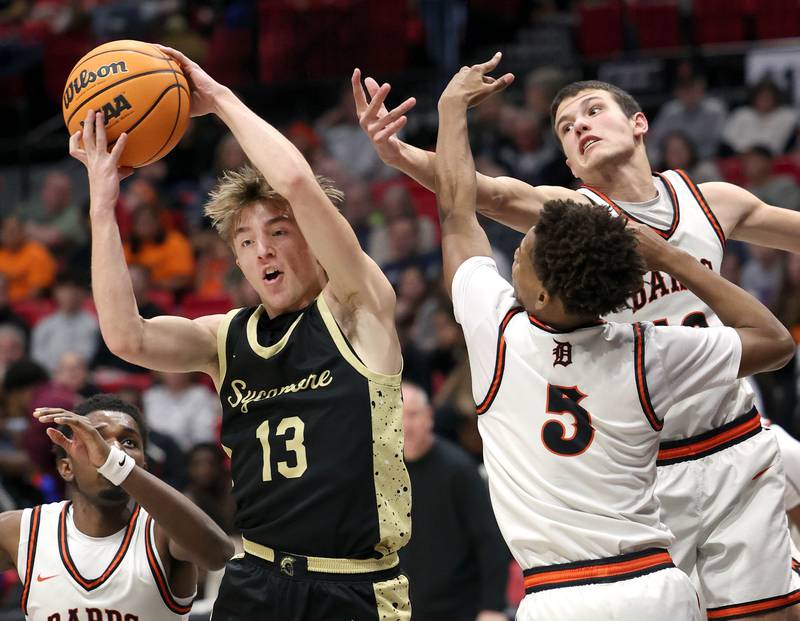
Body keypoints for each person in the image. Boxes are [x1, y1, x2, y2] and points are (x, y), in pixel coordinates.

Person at [354, 65, 800, 620]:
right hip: (648, 468)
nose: (579, 127)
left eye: (592, 111)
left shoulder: (711, 199)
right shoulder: (572, 222)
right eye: (565, 128)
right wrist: (400, 155)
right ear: (569, 165)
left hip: (734, 437)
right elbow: (480, 194)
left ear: (638, 123)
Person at [69, 44, 411, 620]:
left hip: (351, 587)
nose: (263, 251)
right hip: (254, 578)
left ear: (313, 236)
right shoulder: (225, 338)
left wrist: (221, 100)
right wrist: (103, 206)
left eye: (278, 231)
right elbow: (126, 337)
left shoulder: (358, 306)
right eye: (246, 242)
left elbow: (299, 185)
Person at [0, 393, 233, 619]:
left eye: (128, 442)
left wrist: (115, 466)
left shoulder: (163, 530)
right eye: (97, 439)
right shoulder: (23, 530)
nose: (114, 450)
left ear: (143, 466)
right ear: (66, 468)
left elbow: (218, 554)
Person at [400, 381, 509, 621]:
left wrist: (492, 606)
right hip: (400, 611)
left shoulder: (458, 469)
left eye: (413, 415)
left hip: (458, 609)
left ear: (429, 416)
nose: (404, 425)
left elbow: (490, 540)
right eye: (396, 414)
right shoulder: (380, 472)